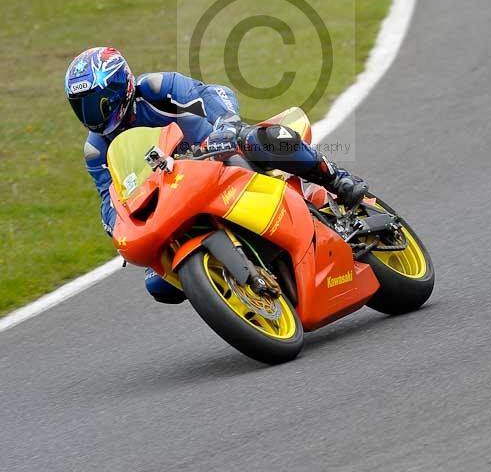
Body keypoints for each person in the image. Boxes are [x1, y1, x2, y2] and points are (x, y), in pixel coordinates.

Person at [65, 46, 368, 303]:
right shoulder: (96, 149)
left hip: (213, 154)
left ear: (120, 88)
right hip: (168, 193)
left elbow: (210, 92)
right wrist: (119, 228)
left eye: (96, 103)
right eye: (82, 107)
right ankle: (233, 285)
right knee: (159, 285)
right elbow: (110, 200)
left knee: (257, 139)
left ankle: (335, 179)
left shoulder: (155, 89)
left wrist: (225, 124)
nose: (91, 114)